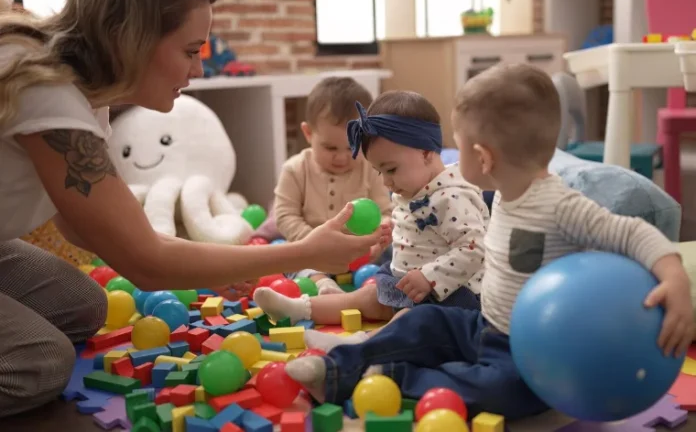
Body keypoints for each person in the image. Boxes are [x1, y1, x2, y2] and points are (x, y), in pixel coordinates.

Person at [0, 0, 388, 418]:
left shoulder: (88, 96)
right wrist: (303, 252)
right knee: (41, 362)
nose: (199, 70)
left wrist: (207, 265)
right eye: (190, 51)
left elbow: (86, 226)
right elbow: (146, 262)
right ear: (132, 39)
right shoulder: (47, 91)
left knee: (84, 307)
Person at [282, 64, 695, 420]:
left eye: (457, 147)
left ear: (483, 157)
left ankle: (392, 378)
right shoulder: (503, 195)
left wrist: (674, 276)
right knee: (420, 322)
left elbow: (631, 231)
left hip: (531, 352)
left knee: (502, 391)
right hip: (483, 324)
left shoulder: (559, 205)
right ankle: (337, 368)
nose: (447, 157)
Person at [254, 90, 489, 351]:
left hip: (450, 296)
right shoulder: (414, 187)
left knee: (411, 320)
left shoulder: (453, 197)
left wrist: (429, 277)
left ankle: (359, 347)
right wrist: (389, 230)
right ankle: (298, 309)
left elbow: (474, 249)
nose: (386, 182)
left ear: (425, 153)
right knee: (366, 296)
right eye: (380, 172)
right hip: (408, 283)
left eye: (391, 170)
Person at [273, 77, 392, 294]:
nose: (342, 157)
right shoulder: (294, 170)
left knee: (396, 252)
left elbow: (386, 212)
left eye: (352, 147)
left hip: (361, 253)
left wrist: (379, 237)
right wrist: (313, 242)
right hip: (312, 251)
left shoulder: (371, 168)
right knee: (289, 258)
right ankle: (324, 285)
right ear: (308, 133)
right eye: (330, 148)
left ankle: (379, 287)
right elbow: (285, 216)